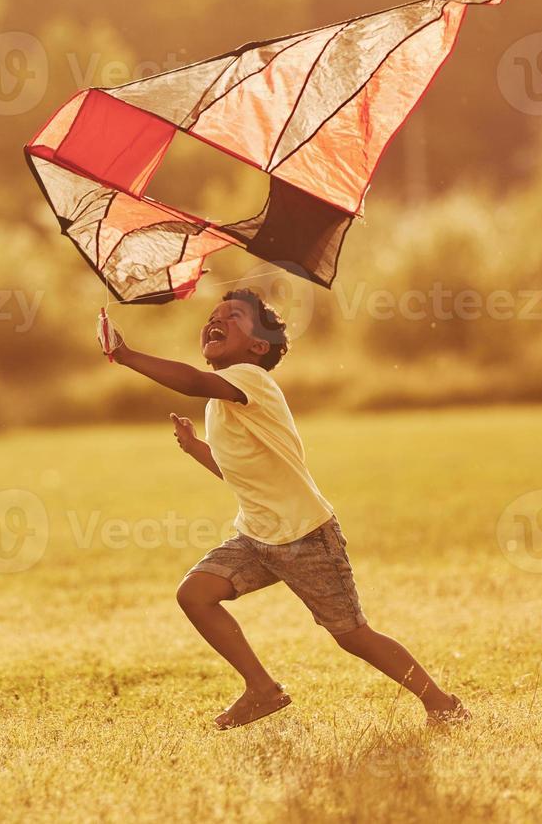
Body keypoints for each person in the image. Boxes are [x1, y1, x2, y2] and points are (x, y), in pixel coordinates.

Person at [99, 290, 470, 730]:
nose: (215, 321)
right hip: (258, 536)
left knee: (352, 636)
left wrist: (124, 354)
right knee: (194, 595)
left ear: (258, 346)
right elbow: (238, 472)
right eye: (213, 316)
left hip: (305, 535)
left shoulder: (250, 381)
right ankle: (262, 689)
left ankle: (442, 702)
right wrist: (195, 447)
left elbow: (193, 380)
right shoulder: (222, 401)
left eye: (232, 317)